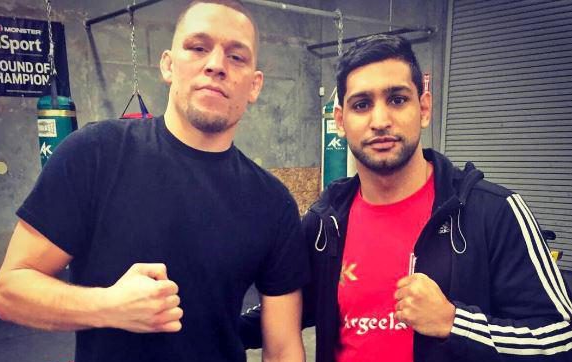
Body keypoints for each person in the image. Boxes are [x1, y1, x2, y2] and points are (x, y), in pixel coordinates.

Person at [0, 1, 309, 361]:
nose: (215, 65)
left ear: (254, 86)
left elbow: (284, 348)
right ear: (168, 65)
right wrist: (107, 305)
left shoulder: (272, 202)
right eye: (198, 47)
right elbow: (8, 291)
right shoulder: (95, 154)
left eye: (236, 57)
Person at [241, 35, 572, 361]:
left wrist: (455, 323)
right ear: (341, 122)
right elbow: (280, 311)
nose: (381, 121)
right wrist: (201, 317)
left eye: (397, 99)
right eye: (362, 105)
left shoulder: (492, 212)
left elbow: (562, 340)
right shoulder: (324, 224)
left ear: (424, 109)